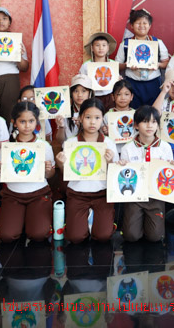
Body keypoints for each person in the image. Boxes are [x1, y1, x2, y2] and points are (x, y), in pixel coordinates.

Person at [56, 99, 116, 243]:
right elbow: (66, 173)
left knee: (103, 236)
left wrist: (110, 163)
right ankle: (84, 220)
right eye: (88, 117)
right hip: (77, 194)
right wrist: (60, 164)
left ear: (102, 119)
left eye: (97, 118)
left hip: (102, 194)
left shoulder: (108, 143)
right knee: (75, 237)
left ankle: (95, 220)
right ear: (80, 118)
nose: (92, 122)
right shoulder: (71, 143)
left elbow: (115, 175)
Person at [0, 102, 55, 243]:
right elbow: (2, 177)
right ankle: (20, 221)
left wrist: (48, 170)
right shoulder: (8, 148)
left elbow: (50, 175)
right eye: (22, 121)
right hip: (13, 195)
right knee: (6, 235)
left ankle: (30, 221)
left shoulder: (44, 146)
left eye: (31, 121)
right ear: (14, 122)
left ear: (36, 122)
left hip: (38, 194)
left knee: (38, 234)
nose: (27, 126)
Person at [119, 105, 174, 242]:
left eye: (153, 122)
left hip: (156, 196)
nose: (150, 125)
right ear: (136, 125)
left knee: (155, 237)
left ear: (158, 125)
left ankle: (147, 224)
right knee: (131, 236)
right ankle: (138, 224)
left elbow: (169, 173)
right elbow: (124, 175)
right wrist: (121, 166)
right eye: (145, 121)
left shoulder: (165, 147)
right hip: (135, 197)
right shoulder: (127, 148)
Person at [114, 9, 171, 108]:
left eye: (145, 23)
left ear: (150, 25)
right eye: (138, 23)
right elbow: (116, 66)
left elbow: (166, 63)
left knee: (154, 111)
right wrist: (126, 65)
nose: (141, 26)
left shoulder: (157, 42)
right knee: (134, 111)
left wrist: (158, 65)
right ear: (132, 25)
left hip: (153, 83)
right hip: (132, 83)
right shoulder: (125, 44)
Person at [79, 31, 118, 111]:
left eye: (104, 45)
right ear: (92, 48)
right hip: (93, 97)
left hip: (109, 97)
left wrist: (118, 79)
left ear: (108, 48)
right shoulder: (86, 65)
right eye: (97, 45)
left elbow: (117, 82)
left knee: (109, 116)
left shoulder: (113, 64)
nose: (101, 48)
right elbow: (81, 82)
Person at [53, 74, 94, 144]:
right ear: (71, 94)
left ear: (90, 93)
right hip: (68, 149)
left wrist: (82, 127)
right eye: (76, 91)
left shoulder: (95, 112)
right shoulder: (65, 112)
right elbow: (60, 140)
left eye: (84, 91)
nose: (79, 95)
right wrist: (61, 126)